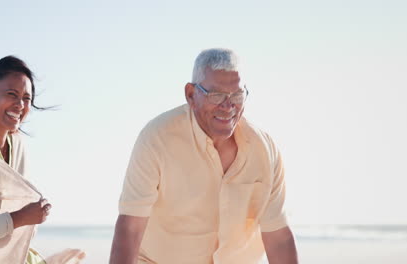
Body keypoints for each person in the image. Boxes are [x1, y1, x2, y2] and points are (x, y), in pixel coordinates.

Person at [110, 48, 298, 264]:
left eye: (237, 95)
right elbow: (130, 227)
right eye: (216, 95)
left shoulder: (265, 149)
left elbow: (279, 238)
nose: (228, 106)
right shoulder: (157, 138)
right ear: (191, 94)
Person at [0, 56, 85, 264]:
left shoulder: (18, 144)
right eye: (11, 94)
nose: (20, 104)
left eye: (26, 98)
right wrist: (20, 218)